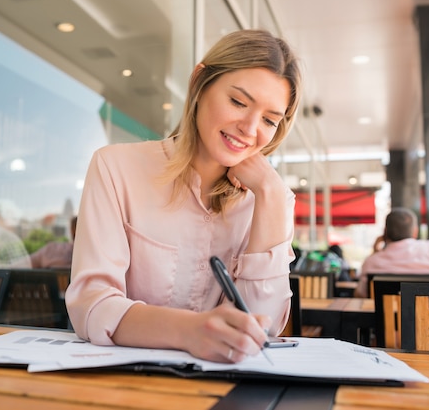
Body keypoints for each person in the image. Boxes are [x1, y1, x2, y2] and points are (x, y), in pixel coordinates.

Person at [66, 29, 302, 363]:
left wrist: (272, 197)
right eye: (238, 102)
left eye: (269, 120)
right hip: (122, 383)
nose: (250, 129)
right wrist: (190, 330)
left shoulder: (267, 200)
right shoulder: (116, 167)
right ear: (199, 82)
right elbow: (91, 305)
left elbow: (262, 328)